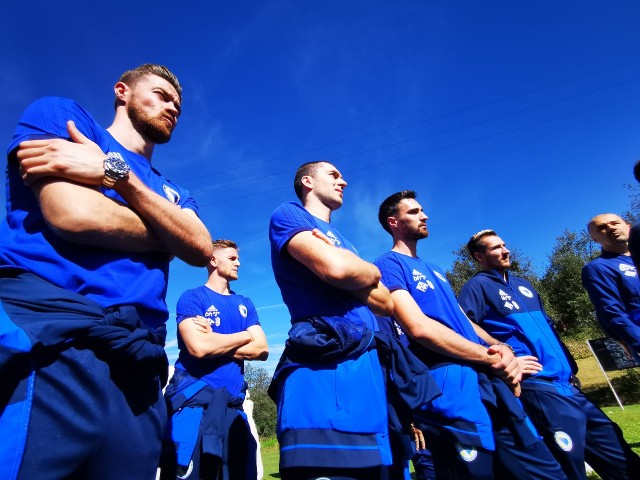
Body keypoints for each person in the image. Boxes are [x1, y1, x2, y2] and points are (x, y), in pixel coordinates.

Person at [0, 64, 212, 479]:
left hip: (139, 365)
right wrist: (169, 235)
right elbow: (74, 214)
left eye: (178, 104)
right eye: (161, 95)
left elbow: (201, 247)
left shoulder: (177, 192)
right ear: (122, 91)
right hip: (53, 339)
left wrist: (118, 176)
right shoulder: (64, 117)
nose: (173, 107)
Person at [374, 191, 566, 480]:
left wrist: (500, 347)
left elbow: (463, 320)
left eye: (422, 210)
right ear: (393, 222)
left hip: (485, 377)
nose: (424, 216)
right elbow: (419, 327)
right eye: (414, 212)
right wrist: (490, 357)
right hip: (446, 377)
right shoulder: (388, 264)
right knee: (473, 471)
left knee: (540, 466)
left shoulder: (434, 269)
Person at [460, 229, 640, 480]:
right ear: (479, 257)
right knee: (568, 467)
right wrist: (504, 355)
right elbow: (464, 325)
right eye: (496, 248)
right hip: (538, 386)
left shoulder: (524, 285)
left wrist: (571, 368)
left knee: (621, 458)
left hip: (569, 386)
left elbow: (549, 329)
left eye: (504, 245)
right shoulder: (477, 286)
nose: (505, 250)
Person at [268, 160, 397, 480]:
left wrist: (352, 265)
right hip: (323, 371)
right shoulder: (288, 214)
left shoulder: (344, 241)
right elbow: (336, 269)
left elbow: (386, 303)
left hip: (365, 373)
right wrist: (362, 271)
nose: (344, 181)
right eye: (334, 175)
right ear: (308, 182)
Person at [161, 240, 268, 480]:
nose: (238, 263)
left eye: (238, 258)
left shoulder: (245, 303)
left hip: (234, 410)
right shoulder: (192, 298)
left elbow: (261, 349)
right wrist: (244, 335)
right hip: (194, 409)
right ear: (213, 260)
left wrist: (214, 340)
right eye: (232, 258)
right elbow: (199, 348)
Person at [582, 213, 640, 357]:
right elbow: (610, 311)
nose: (611, 228)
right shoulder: (598, 268)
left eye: (615, 223)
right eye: (602, 227)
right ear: (594, 239)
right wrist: (635, 341)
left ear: (628, 227)